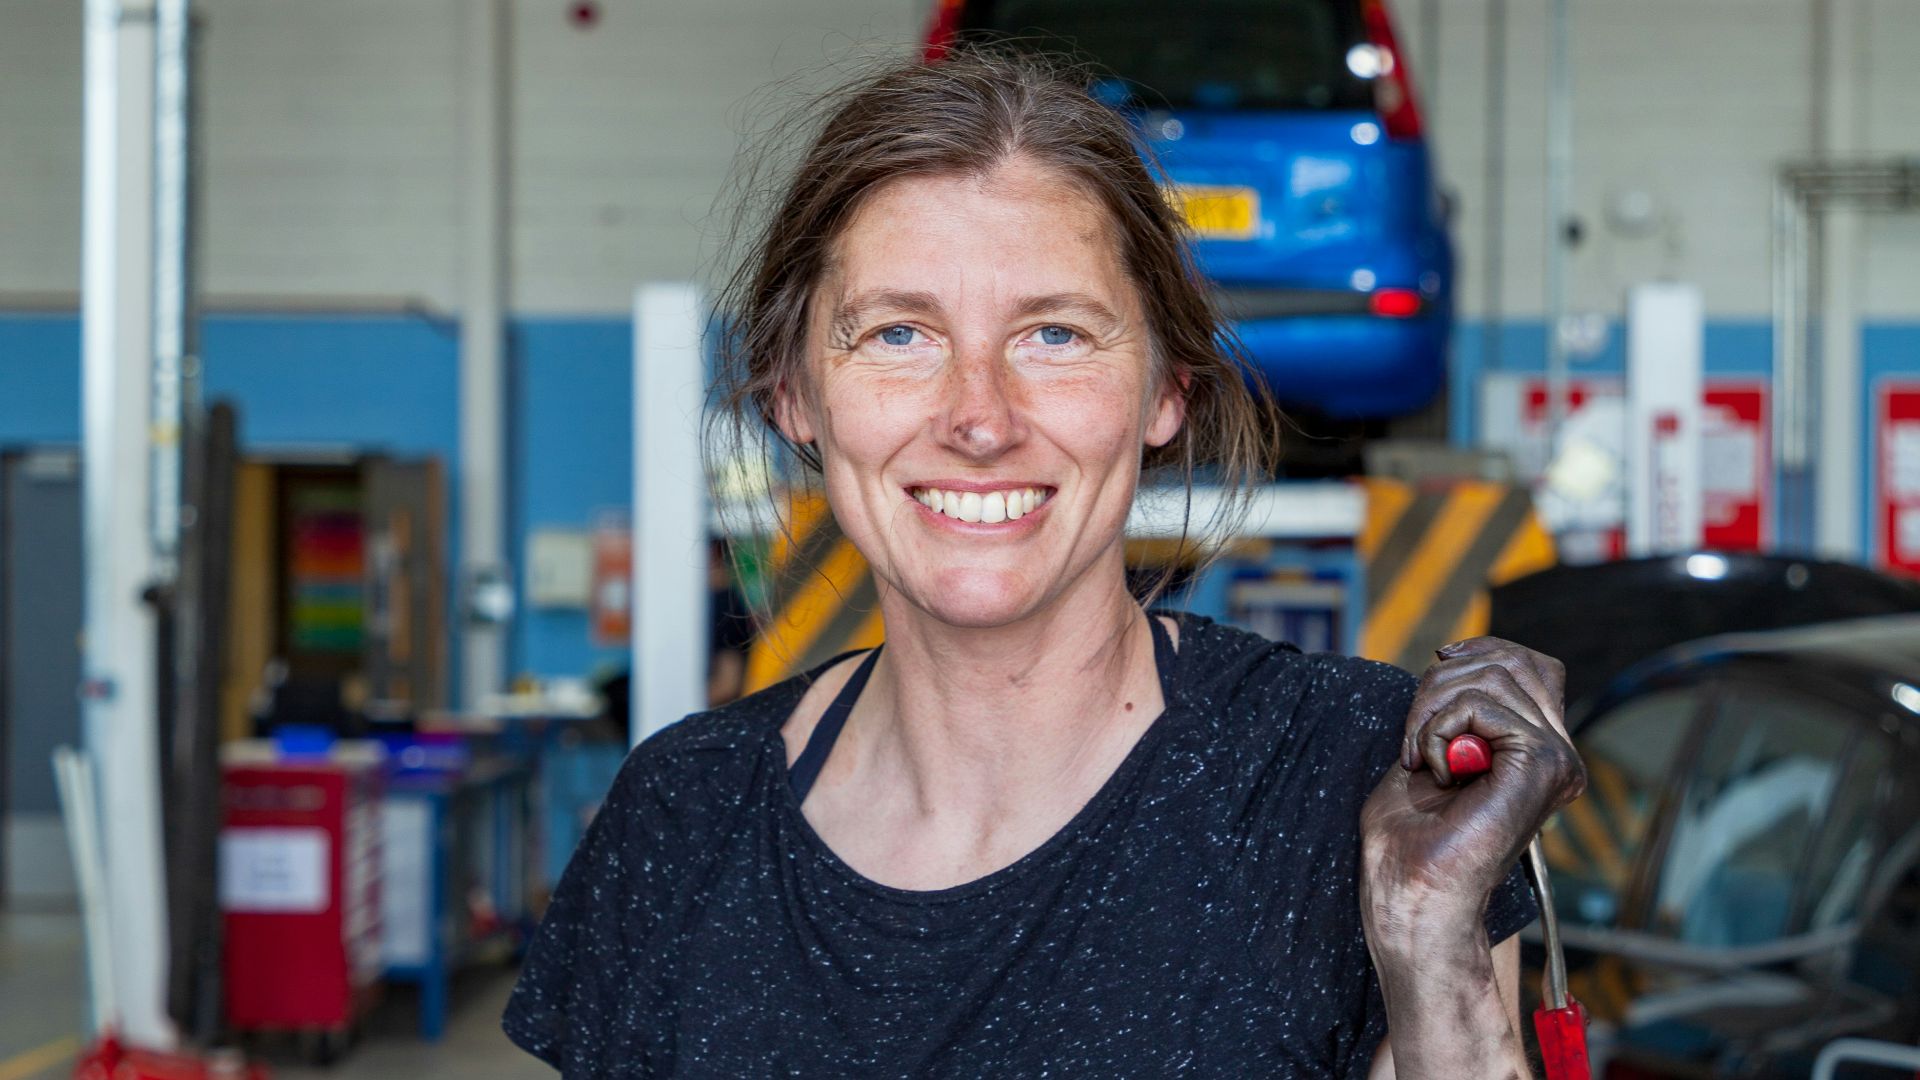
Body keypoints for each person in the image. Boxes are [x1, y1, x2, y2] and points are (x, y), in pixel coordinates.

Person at [504, 49, 1585, 1078]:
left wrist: (1432, 938)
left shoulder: (1353, 781)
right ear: (794, 393)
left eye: (1055, 335)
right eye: (898, 334)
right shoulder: (682, 816)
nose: (979, 418)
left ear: (1166, 392)